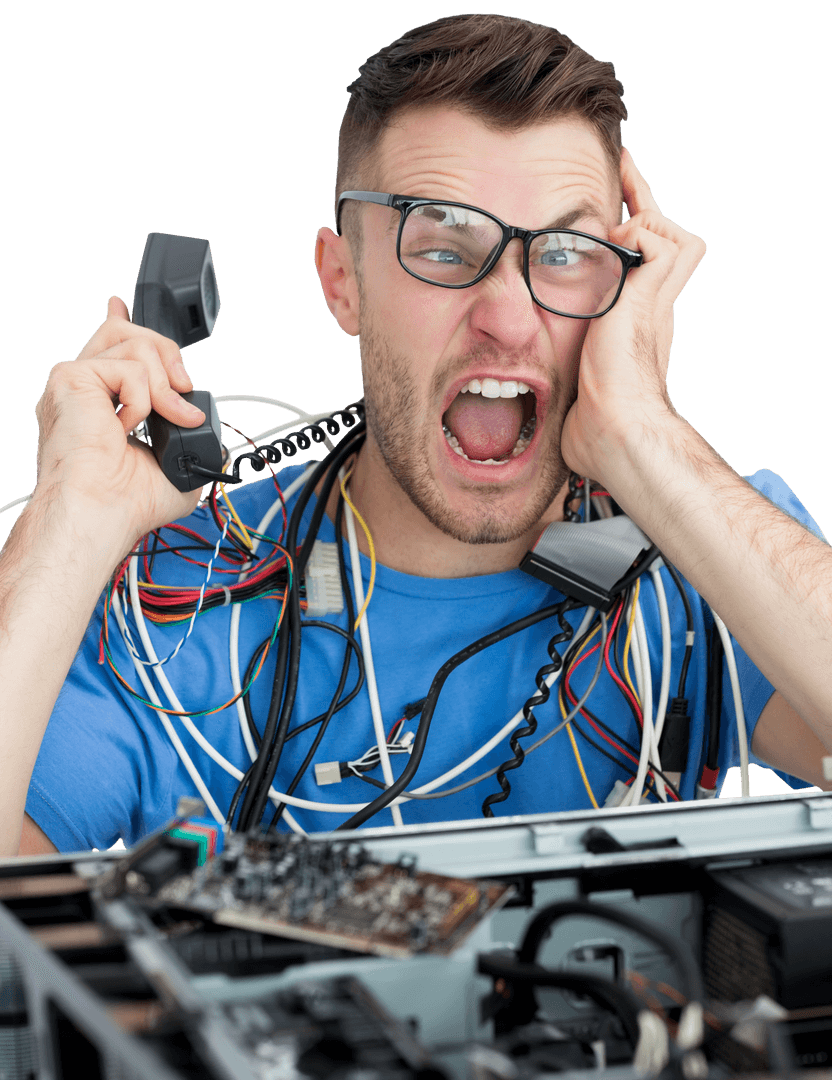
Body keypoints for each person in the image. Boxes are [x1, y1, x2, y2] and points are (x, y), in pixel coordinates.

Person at [3, 13, 831, 857]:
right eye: (441, 247)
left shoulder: (711, 552)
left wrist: (647, 437)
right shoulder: (169, 602)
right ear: (342, 283)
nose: (508, 318)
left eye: (566, 250)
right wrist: (69, 523)